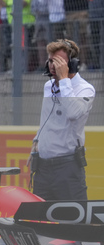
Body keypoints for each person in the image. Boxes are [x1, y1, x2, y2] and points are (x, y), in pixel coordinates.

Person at [28, 39, 95, 201]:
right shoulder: (49, 86)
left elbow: (73, 113)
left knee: (73, 218)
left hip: (67, 167)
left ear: (71, 64)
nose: (53, 66)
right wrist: (36, 143)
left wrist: (64, 80)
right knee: (39, 218)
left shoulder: (85, 89)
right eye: (50, 61)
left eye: (58, 62)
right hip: (43, 167)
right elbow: (47, 118)